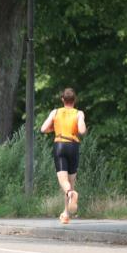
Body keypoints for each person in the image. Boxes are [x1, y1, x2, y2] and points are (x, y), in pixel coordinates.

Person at [40, 87, 87, 224]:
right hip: (73, 145)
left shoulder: (55, 112)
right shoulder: (79, 113)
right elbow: (82, 130)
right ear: (74, 100)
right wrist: (80, 122)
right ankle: (66, 214)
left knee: (63, 181)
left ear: (62, 100)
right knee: (70, 182)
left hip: (60, 145)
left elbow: (43, 129)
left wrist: (53, 128)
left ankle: (70, 195)